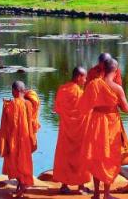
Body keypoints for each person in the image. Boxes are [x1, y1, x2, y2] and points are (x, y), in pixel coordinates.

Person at [80, 58, 128, 199]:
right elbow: (126, 109)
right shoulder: (117, 88)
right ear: (116, 70)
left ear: (102, 69)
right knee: (109, 157)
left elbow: (84, 107)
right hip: (111, 123)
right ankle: (106, 194)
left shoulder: (93, 84)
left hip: (96, 122)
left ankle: (96, 194)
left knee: (97, 157)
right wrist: (117, 102)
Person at [0, 81, 40, 199]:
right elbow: (33, 120)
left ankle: (22, 186)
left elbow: (5, 125)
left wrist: (3, 138)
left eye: (12, 90)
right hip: (26, 138)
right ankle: (22, 184)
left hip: (13, 139)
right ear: (23, 90)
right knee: (23, 161)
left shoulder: (9, 105)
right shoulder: (28, 104)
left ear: (14, 91)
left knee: (14, 161)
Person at [53, 67, 90, 195]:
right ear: (79, 77)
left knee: (65, 156)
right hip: (79, 131)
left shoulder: (62, 89)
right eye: (84, 77)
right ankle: (81, 186)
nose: (85, 80)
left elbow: (57, 109)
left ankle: (64, 185)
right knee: (81, 156)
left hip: (65, 130)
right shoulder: (80, 93)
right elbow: (86, 111)